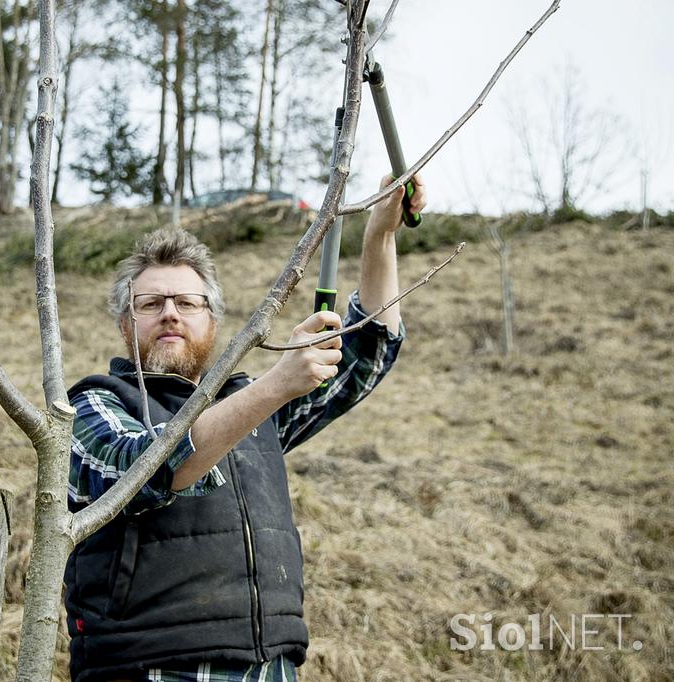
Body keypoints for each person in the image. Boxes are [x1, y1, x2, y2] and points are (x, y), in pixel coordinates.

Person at [64, 176, 427, 682]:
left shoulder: (252, 411)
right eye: (149, 304)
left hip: (273, 666)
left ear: (212, 320)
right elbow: (136, 469)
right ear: (125, 323)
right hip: (151, 668)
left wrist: (380, 235)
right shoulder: (94, 405)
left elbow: (366, 352)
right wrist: (276, 384)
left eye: (187, 303)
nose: (170, 313)